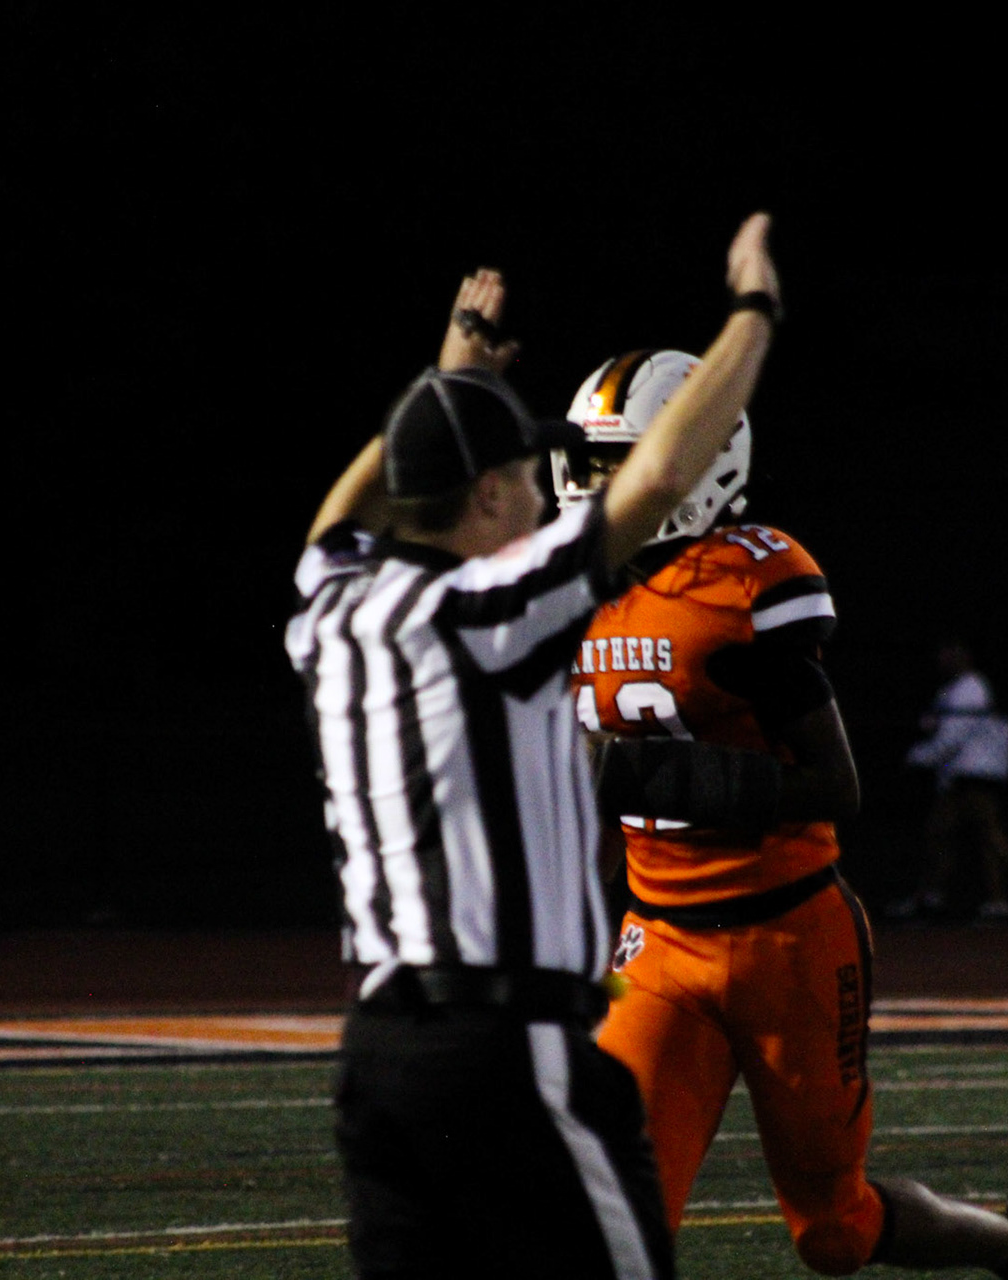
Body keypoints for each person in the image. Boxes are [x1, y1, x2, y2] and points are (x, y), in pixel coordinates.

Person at [287, 214, 781, 1279]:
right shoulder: (489, 613)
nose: (542, 492)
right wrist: (753, 312)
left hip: (379, 1052)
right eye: (518, 474)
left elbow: (339, 517)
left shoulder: (330, 608)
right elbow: (659, 480)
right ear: (484, 494)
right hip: (507, 1045)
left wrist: (448, 378)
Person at [556, 355, 1008, 1278]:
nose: (600, 486)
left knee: (833, 1231)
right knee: (611, 1219)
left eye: (619, 461)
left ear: (701, 462)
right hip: (660, 946)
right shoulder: (562, 595)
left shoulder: (740, 583)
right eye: (590, 463)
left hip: (788, 941)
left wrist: (664, 779)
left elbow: (836, 786)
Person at [897, 639, 1008, 923]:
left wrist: (917, 757)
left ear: (962, 655)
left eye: (948, 652)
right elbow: (936, 725)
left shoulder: (970, 688)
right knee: (965, 835)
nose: (942, 658)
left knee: (962, 834)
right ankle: (998, 897)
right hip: (964, 774)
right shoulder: (952, 689)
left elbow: (951, 738)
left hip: (973, 774)